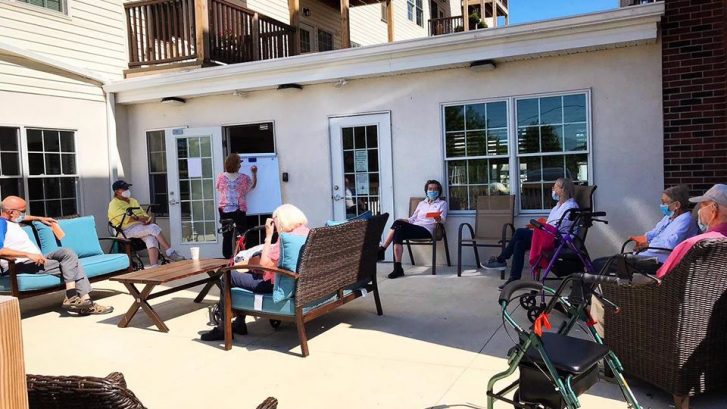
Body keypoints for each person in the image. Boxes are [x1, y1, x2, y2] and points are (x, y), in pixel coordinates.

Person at [201, 204, 310, 341]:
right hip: (298, 281)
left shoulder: (286, 239)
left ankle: (223, 327)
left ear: (282, 220)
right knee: (245, 270)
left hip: (273, 284)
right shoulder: (306, 232)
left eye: (275, 220)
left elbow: (264, 264)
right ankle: (239, 322)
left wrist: (268, 236)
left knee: (228, 276)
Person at [0, 196, 113, 314]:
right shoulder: (1, 225)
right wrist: (28, 254)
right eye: (23, 211)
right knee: (73, 265)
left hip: (38, 259)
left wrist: (40, 218)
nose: (24, 214)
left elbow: (25, 218)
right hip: (19, 264)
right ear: (11, 212)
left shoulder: (12, 220)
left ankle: (73, 297)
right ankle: (85, 302)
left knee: (67, 253)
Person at [484, 178, 579, 289]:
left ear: (563, 189)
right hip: (548, 235)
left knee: (519, 232)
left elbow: (559, 228)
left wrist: (541, 229)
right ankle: (513, 279)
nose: (553, 189)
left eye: (555, 186)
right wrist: (538, 229)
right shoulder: (557, 207)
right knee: (519, 243)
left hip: (558, 240)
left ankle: (501, 259)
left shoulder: (571, 207)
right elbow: (551, 224)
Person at [591, 185, 699, 276]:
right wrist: (643, 240)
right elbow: (655, 232)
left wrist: (648, 245)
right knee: (601, 262)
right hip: (648, 256)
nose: (662, 206)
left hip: (660, 262)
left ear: (677, 205)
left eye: (665, 203)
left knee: (600, 265)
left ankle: (599, 293)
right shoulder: (669, 217)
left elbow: (670, 244)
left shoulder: (685, 220)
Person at [378, 180, 448, 279]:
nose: (432, 191)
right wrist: (404, 220)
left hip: (427, 230)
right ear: (426, 191)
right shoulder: (421, 203)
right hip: (415, 227)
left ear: (439, 191)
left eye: (435, 189)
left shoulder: (442, 203)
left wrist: (439, 218)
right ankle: (397, 268)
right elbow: (412, 219)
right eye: (430, 189)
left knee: (398, 225)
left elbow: (443, 219)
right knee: (398, 230)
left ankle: (383, 249)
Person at [656, 184, 727, 279]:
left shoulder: (694, 244)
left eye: (703, 205)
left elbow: (662, 276)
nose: (699, 210)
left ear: (713, 209)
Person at [108, 180, 184, 266]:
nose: (127, 190)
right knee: (153, 227)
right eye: (124, 189)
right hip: (126, 230)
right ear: (117, 191)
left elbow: (143, 214)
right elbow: (125, 219)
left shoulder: (133, 201)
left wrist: (147, 220)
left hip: (140, 227)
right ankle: (170, 252)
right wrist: (139, 218)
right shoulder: (114, 204)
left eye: (127, 188)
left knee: (151, 238)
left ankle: (154, 267)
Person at [216, 153, 257, 259]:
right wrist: (254, 173)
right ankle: (242, 256)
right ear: (236, 165)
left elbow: (218, 188)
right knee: (242, 233)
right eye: (239, 163)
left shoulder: (221, 177)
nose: (240, 165)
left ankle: (227, 256)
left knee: (227, 234)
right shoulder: (244, 178)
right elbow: (252, 185)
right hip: (239, 209)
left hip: (224, 209)